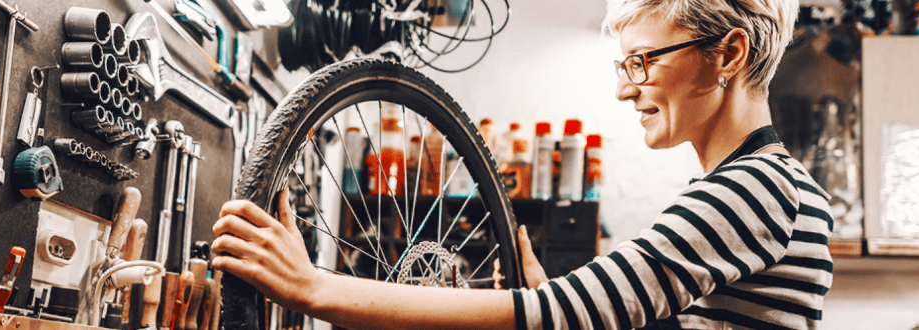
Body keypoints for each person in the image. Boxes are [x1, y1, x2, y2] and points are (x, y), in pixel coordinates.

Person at [209, 0, 833, 329]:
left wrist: (314, 287)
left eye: (642, 61)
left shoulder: (755, 190)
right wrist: (552, 298)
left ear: (729, 52)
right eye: (625, 66)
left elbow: (557, 318)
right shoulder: (761, 188)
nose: (625, 89)